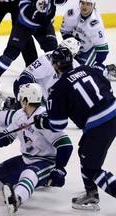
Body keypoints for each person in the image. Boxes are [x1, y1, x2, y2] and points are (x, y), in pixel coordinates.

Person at [33, 47, 116, 211]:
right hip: (113, 111)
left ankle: (93, 192)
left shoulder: (57, 89)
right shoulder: (87, 69)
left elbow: (58, 125)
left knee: (91, 168)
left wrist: (42, 122)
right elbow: (108, 86)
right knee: (83, 152)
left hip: (99, 126)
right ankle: (91, 193)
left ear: (56, 65)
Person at [0, 83, 73, 215]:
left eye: (22, 97)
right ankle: (32, 183)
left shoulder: (45, 119)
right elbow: (7, 136)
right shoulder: (19, 115)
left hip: (46, 161)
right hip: (26, 159)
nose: (19, 100)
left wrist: (60, 168)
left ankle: (17, 199)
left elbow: (65, 144)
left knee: (28, 175)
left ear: (26, 100)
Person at [0, 0, 69, 93]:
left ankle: (57, 82)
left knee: (53, 53)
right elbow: (25, 9)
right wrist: (41, 16)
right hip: (24, 25)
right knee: (10, 53)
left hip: (44, 25)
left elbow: (61, 2)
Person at [60, 0, 116, 81]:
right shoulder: (71, 14)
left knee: (81, 73)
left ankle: (106, 71)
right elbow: (64, 31)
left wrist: (96, 65)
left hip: (89, 49)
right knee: (62, 63)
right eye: (82, 3)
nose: (84, 6)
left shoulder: (95, 24)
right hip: (73, 47)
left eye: (88, 4)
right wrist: (72, 46)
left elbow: (103, 50)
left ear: (93, 5)